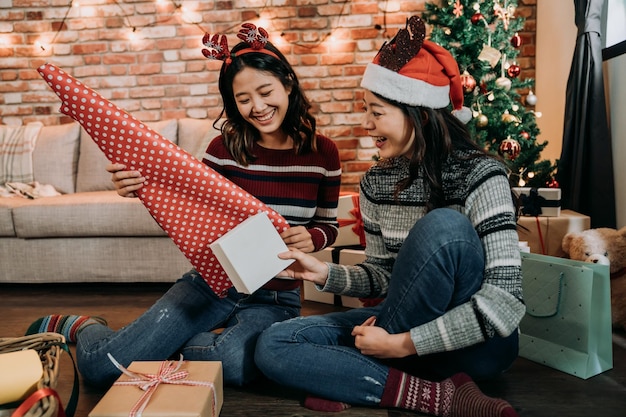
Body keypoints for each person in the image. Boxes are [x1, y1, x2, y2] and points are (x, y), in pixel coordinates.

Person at [26, 23, 341, 388]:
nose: (257, 107)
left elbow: (328, 226)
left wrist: (311, 239)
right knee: (100, 369)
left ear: (288, 83)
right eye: (243, 99)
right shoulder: (223, 151)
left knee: (234, 364)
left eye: (266, 91)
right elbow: (187, 210)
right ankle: (87, 328)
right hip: (211, 284)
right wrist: (138, 188)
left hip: (274, 297)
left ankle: (163, 345)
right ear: (232, 103)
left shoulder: (324, 152)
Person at [254, 16, 523, 417]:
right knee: (272, 344)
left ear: (420, 114)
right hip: (403, 332)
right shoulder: (377, 183)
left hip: (475, 347)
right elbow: (383, 275)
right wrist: (323, 273)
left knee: (445, 228)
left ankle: (352, 375)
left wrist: (400, 344)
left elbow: (505, 303)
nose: (367, 126)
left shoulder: (481, 175)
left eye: (377, 113)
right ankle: (440, 396)